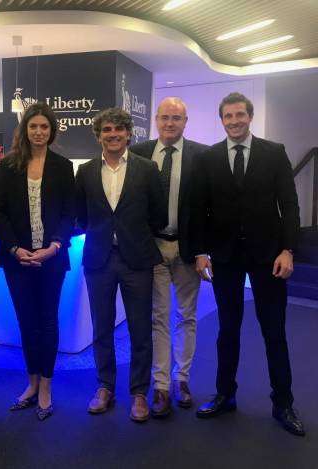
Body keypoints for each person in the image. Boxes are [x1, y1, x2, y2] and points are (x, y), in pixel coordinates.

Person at [191, 92, 304, 436]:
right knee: (227, 330)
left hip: (268, 256)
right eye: (228, 116)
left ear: (249, 117)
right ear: (222, 120)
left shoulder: (274, 152)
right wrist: (200, 251)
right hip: (225, 257)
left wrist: (288, 249)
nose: (234, 121)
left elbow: (289, 204)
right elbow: (199, 208)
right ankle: (225, 394)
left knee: (274, 332)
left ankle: (283, 403)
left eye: (240, 114)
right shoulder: (208, 157)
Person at [76, 107, 167, 422]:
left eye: (118, 129)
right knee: (101, 327)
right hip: (99, 259)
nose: (113, 134)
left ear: (129, 134)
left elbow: (159, 215)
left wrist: (134, 235)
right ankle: (105, 387)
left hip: (137, 259)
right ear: (98, 135)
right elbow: (80, 215)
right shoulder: (86, 171)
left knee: (140, 329)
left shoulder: (147, 168)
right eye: (107, 129)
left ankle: (139, 393)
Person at [0, 103, 75, 421]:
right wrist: (15, 248)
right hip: (18, 260)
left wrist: (55, 245)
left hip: (51, 258)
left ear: (51, 131)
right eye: (33, 126)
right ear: (25, 130)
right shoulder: (8, 165)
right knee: (26, 322)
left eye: (44, 127)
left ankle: (46, 387)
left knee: (48, 322)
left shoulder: (63, 166)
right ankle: (32, 382)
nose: (38, 132)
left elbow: (68, 212)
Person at [130, 97, 208, 416]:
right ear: (156, 120)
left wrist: (204, 250)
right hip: (153, 248)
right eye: (165, 117)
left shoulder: (202, 156)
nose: (170, 123)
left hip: (188, 249)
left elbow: (208, 208)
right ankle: (161, 385)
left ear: (185, 121)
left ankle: (181, 380)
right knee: (158, 316)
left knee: (186, 316)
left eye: (176, 118)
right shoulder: (138, 152)